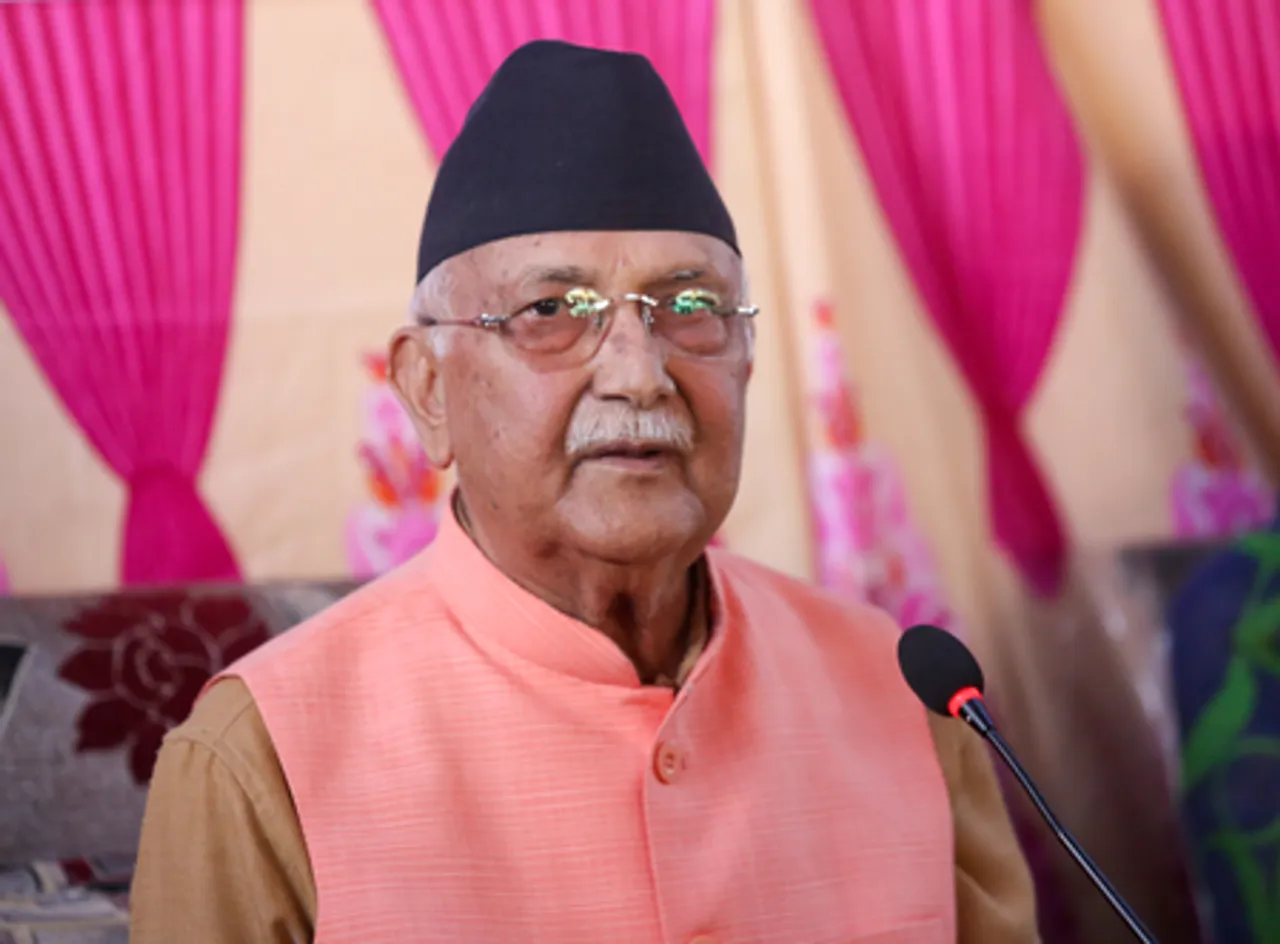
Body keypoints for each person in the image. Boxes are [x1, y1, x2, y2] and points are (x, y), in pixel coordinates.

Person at [131, 39, 1038, 943]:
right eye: (551, 314)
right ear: (428, 391)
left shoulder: (909, 699)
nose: (639, 376)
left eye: (691, 310)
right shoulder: (262, 761)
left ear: (749, 360)